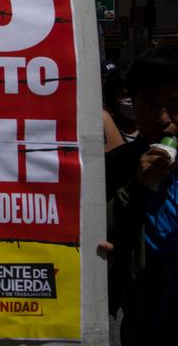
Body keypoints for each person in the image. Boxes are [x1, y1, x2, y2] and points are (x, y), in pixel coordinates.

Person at [105, 47, 178, 344]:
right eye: (149, 105)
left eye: (174, 105)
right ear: (133, 107)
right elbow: (104, 239)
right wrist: (137, 188)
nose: (163, 119)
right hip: (146, 322)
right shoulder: (118, 165)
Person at [103, 67, 138, 153]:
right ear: (112, 99)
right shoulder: (106, 128)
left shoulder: (151, 129)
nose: (133, 100)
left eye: (135, 94)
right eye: (126, 95)